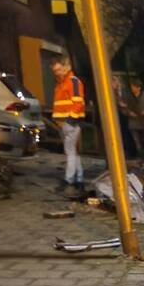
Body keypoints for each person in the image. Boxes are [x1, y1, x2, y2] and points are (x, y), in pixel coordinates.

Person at [50, 57, 85, 195]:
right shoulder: (62, 83)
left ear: (65, 67)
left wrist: (70, 120)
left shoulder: (72, 81)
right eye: (55, 71)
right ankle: (79, 180)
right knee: (73, 152)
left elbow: (78, 103)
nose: (57, 73)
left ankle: (68, 180)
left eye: (59, 69)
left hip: (69, 123)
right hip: (65, 123)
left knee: (70, 152)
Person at [126, 79, 144, 162]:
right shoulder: (129, 97)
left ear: (138, 88)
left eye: (133, 87)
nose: (132, 88)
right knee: (137, 143)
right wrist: (129, 113)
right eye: (131, 87)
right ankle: (141, 158)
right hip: (133, 123)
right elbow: (125, 109)